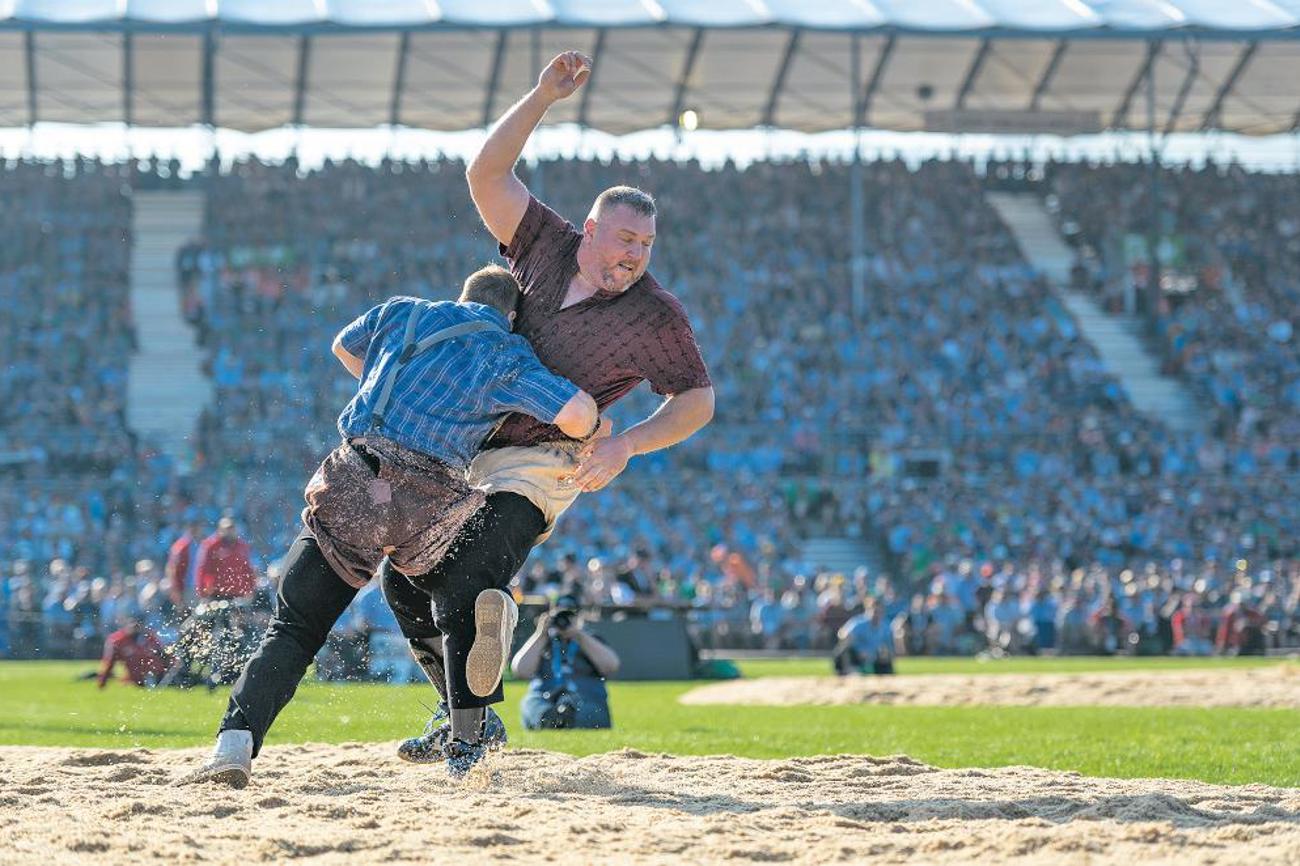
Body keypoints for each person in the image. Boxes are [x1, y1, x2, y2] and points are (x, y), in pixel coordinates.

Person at [384, 50, 714, 775]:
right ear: (590, 230)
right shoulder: (545, 242)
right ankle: (458, 711)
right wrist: (540, 97)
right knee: (402, 576)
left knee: (473, 570)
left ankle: (469, 736)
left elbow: (696, 399)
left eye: (647, 246)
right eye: (625, 239)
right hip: (464, 445)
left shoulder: (656, 313)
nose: (635, 257)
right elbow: (485, 177)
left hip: (545, 460)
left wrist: (627, 444)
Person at [186, 265, 599, 788]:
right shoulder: (504, 351)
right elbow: (577, 415)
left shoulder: (402, 312)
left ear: (461, 295)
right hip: (430, 498)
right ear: (511, 316)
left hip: (352, 480)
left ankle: (235, 744)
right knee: (454, 588)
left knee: (295, 627)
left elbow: (343, 346)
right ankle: (467, 737)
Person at [511, 595, 620, 729]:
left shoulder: (591, 639)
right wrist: (540, 635)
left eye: (570, 614)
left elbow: (611, 666)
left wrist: (579, 635)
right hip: (546, 696)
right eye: (560, 614)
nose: (564, 620)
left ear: (580, 616)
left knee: (593, 711)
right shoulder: (543, 640)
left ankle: (565, 718)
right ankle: (551, 718)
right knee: (531, 703)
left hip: (584, 697)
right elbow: (520, 671)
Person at [96, 617, 170, 688]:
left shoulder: (149, 638)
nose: (134, 627)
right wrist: (102, 681)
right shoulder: (118, 641)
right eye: (131, 624)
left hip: (154, 676)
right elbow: (109, 662)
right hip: (133, 679)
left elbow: (163, 655)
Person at [195, 517, 257, 601]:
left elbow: (248, 569)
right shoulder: (210, 546)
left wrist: (251, 588)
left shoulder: (242, 546)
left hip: (238, 593)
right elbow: (203, 569)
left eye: (232, 528)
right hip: (217, 593)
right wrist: (202, 591)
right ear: (220, 530)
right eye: (227, 529)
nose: (229, 531)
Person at [833, 600, 896, 676]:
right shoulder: (858, 623)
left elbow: (889, 648)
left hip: (874, 656)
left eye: (880, 612)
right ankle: (848, 671)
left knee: (885, 656)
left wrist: (882, 654)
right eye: (875, 611)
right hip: (856, 655)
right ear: (868, 611)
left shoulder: (885, 626)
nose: (877, 615)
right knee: (843, 649)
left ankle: (885, 675)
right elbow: (842, 635)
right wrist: (856, 647)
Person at [165, 519, 204, 609]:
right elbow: (172, 569)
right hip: (188, 587)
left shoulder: (204, 543)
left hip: (202, 587)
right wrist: (175, 589)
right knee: (191, 615)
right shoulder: (181, 546)